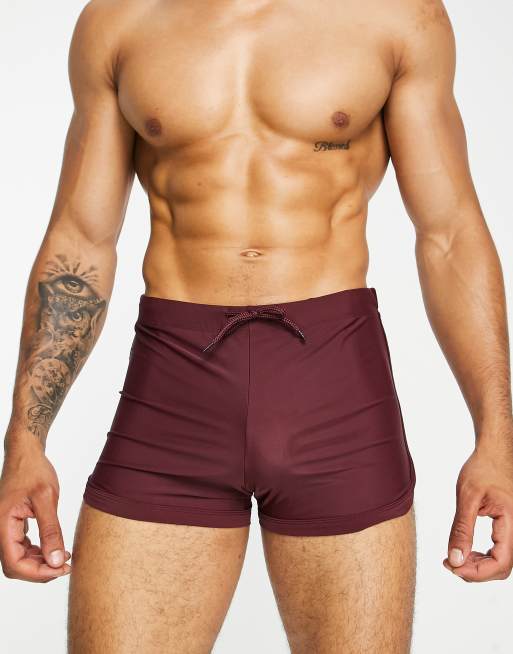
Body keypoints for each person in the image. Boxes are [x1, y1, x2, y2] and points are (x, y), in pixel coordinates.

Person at [1, 0, 512, 652]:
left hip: (335, 398)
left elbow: (449, 234)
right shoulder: (120, 21)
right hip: (171, 397)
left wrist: (496, 437)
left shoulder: (395, 17)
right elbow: (81, 240)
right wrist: (25, 438)